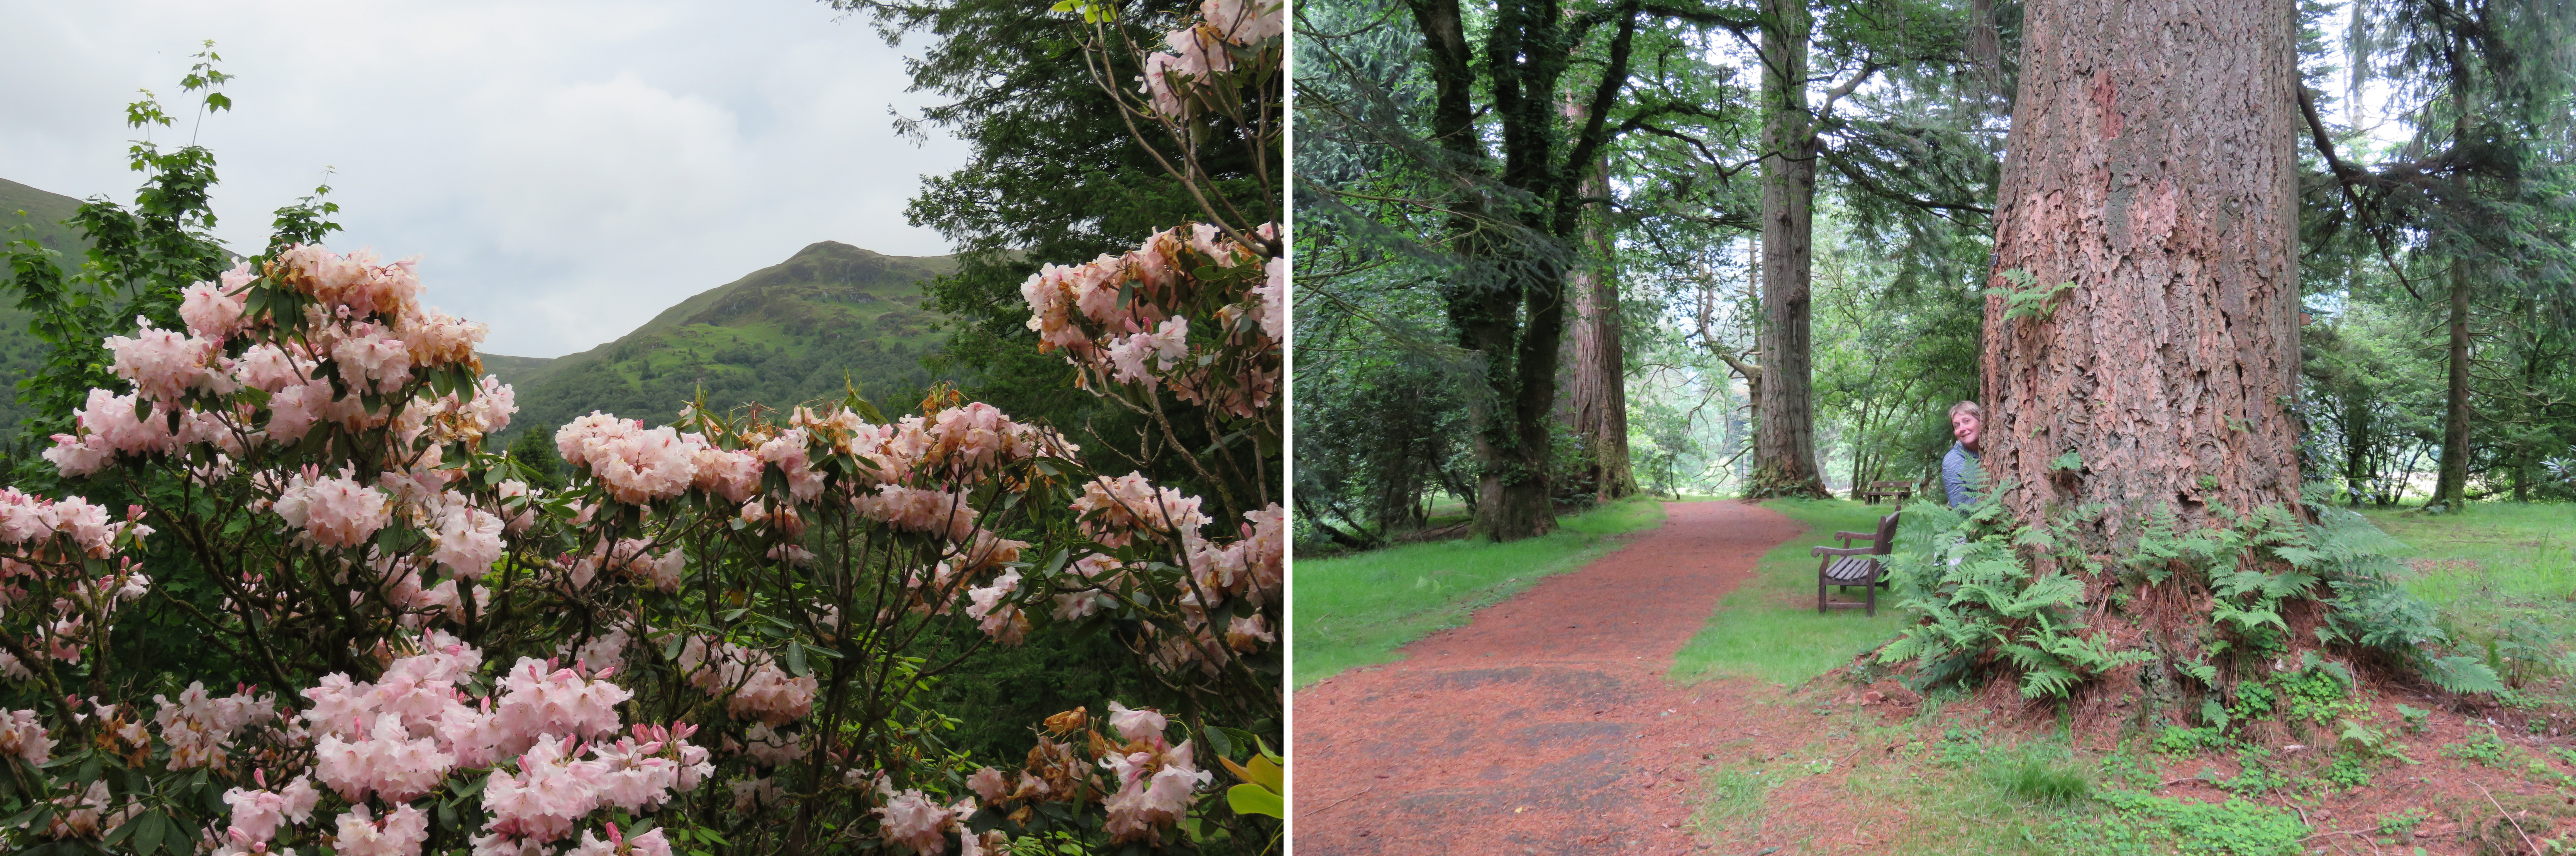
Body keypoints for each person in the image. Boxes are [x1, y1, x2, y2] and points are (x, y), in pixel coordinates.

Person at [1942, 401, 1984, 508]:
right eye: (1957, 426)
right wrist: (1991, 495)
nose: (1962, 429)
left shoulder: (2002, 446)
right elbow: (1960, 508)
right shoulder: (1952, 462)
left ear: (1981, 420)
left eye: (1967, 421)